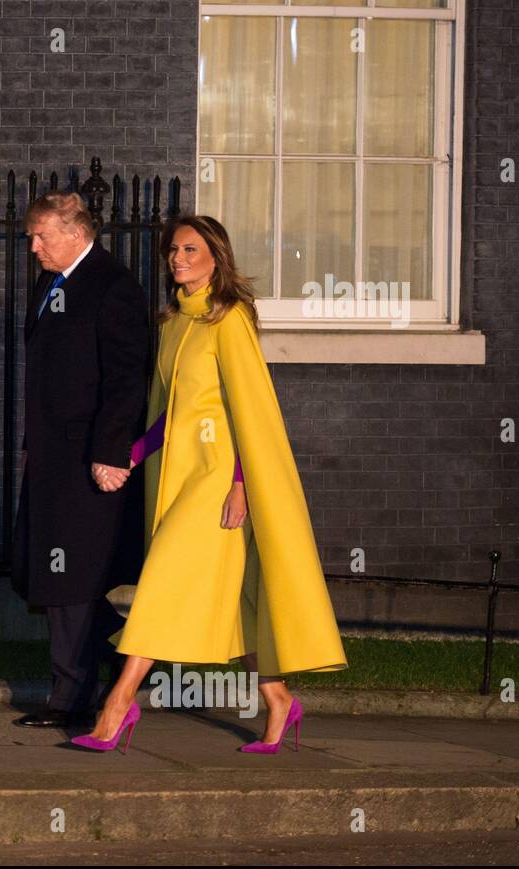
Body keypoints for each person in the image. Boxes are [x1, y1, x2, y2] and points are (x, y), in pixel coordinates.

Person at [69, 214, 347, 754]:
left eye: (190, 249)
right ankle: (279, 700)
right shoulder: (174, 322)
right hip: (180, 475)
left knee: (162, 581)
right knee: (232, 603)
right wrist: (127, 455)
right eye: (173, 249)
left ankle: (118, 705)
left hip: (219, 479)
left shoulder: (231, 319)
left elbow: (252, 410)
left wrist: (244, 484)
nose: (178, 258)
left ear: (216, 256)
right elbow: (169, 414)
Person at [10, 190, 151, 729]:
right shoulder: (52, 282)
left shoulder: (112, 287)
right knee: (39, 572)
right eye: (31, 237)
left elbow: (125, 379)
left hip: (91, 458)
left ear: (76, 234)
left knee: (69, 581)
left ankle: (70, 699)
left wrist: (111, 452)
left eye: (42, 237)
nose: (34, 248)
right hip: (50, 456)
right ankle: (123, 658)